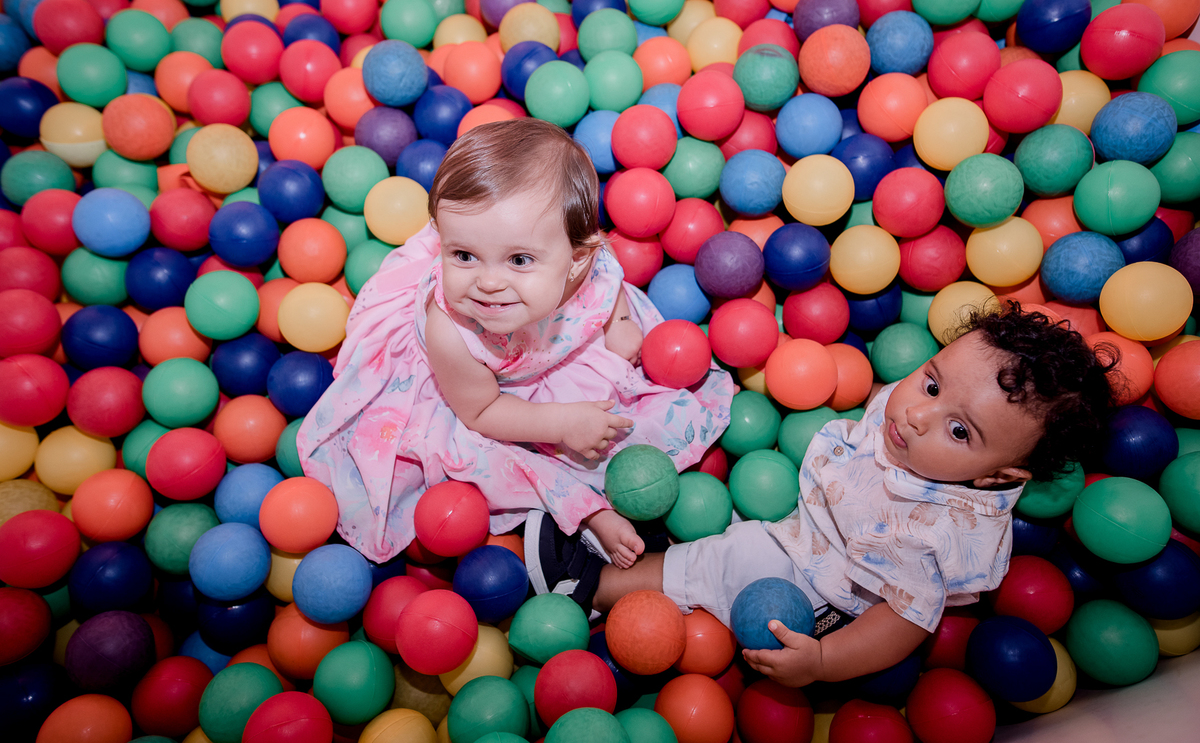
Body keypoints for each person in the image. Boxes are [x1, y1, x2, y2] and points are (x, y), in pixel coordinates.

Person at [526, 305, 1116, 686]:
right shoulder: (912, 413)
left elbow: (905, 622)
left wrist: (823, 662)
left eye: (959, 431)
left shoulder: (937, 532)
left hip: (832, 590)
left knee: (731, 558)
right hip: (815, 523)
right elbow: (904, 407)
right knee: (731, 532)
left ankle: (588, 583)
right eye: (932, 382)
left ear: (993, 478)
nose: (915, 414)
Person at [297, 118, 734, 566]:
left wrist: (620, 320)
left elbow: (609, 270)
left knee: (635, 408)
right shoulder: (450, 330)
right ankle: (584, 513)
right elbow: (481, 412)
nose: (487, 282)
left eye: (519, 260)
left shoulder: (587, 261)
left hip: (554, 347)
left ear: (575, 258)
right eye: (463, 255)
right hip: (480, 395)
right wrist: (559, 424)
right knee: (495, 459)